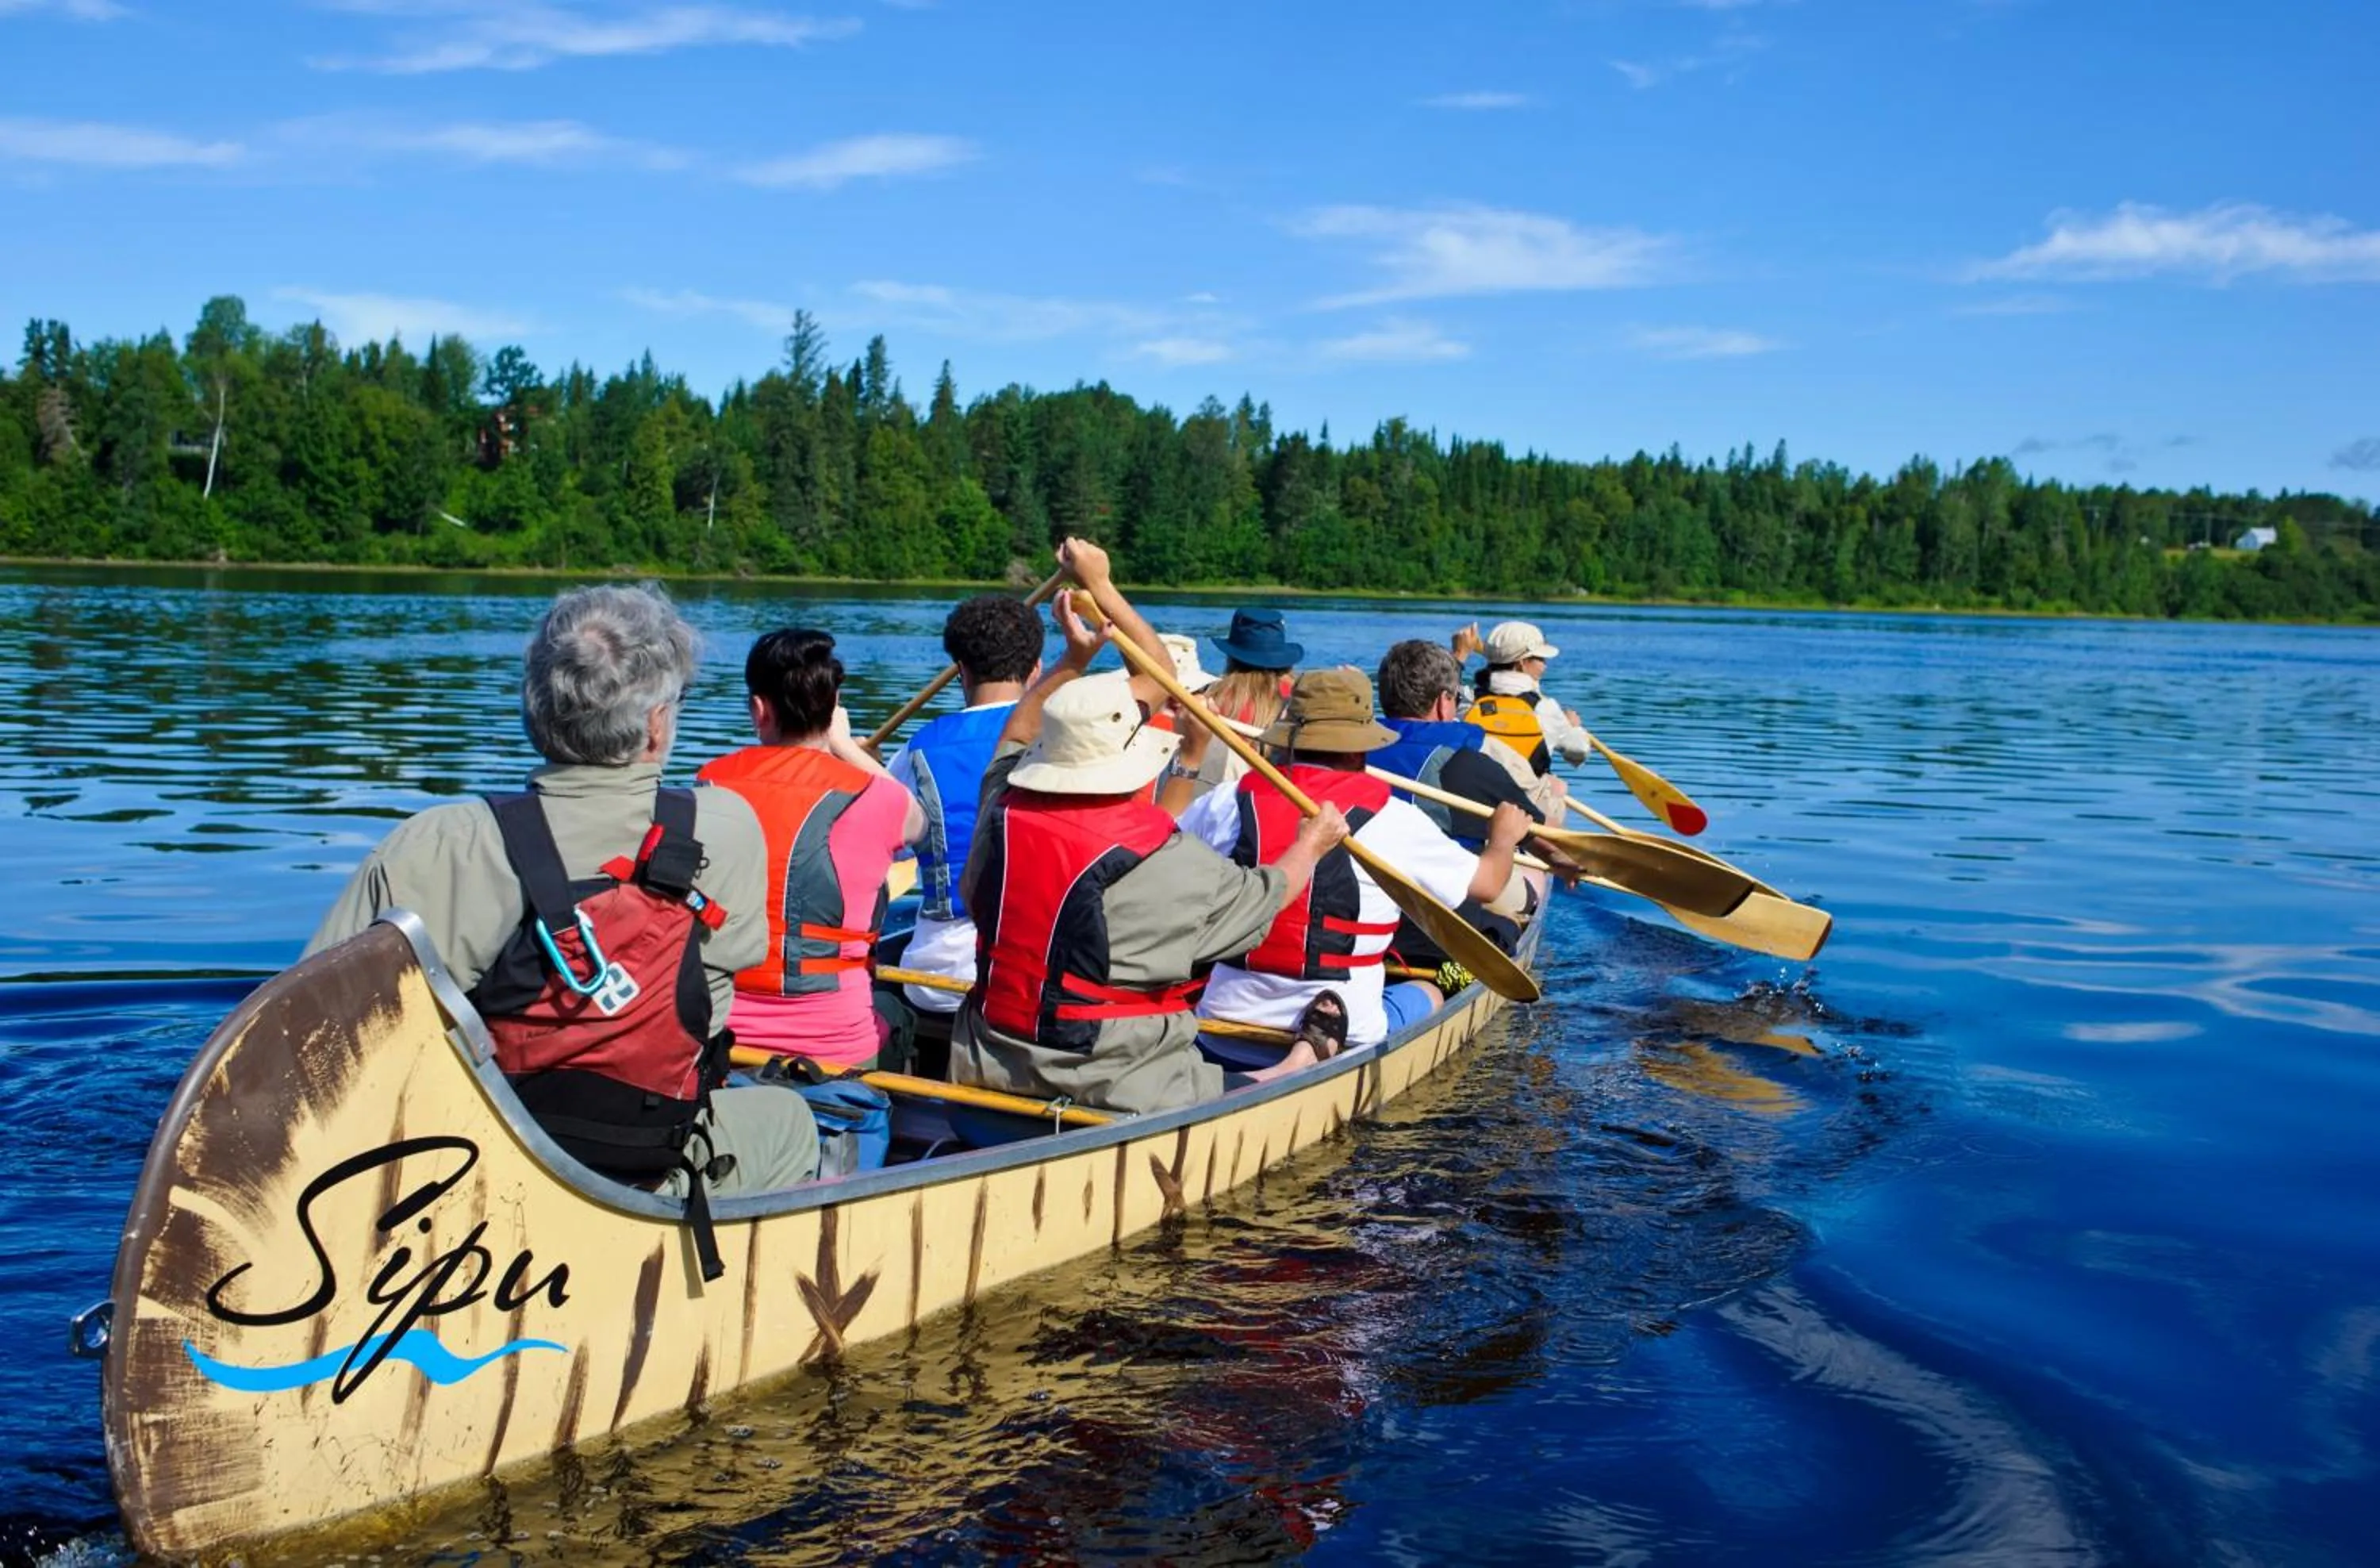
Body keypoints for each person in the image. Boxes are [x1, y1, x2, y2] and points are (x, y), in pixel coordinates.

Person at [305, 583, 818, 1278]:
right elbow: (720, 986)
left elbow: (310, 1039)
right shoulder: (726, 828)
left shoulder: (435, 845)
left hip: (474, 1159)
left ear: (534, 712)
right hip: (645, 1154)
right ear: (658, 725)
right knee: (794, 1122)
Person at [950, 540, 1354, 1113]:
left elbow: (1017, 732)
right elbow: (1268, 896)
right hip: (1122, 1089)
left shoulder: (1003, 806)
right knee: (1247, 1076)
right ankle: (1295, 1064)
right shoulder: (1174, 858)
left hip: (989, 1065)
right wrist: (1311, 845)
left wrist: (1072, 660)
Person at [1176, 666, 1533, 1050]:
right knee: (1428, 991)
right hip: (1349, 1028)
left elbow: (1165, 844)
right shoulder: (1393, 817)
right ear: (1358, 744)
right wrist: (1503, 840)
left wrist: (1189, 757)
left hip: (1219, 1020)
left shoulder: (1225, 800)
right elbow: (1487, 884)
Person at [697, 628, 926, 1072]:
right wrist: (843, 746)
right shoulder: (879, 799)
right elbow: (922, 822)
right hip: (838, 1052)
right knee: (897, 1012)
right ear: (833, 708)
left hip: (724, 1037)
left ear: (759, 710)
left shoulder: (709, 782)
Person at [883, 594, 1045, 1017]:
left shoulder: (916, 750)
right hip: (1026, 978)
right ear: (1037, 670)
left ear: (961, 670)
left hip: (933, 977)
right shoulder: (1060, 738)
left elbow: (891, 850)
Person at [1463, 620, 1592, 777]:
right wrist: (1573, 727)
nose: (1545, 666)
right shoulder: (1544, 708)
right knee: (1558, 786)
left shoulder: (1468, 700)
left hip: (1474, 789)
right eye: (1541, 659)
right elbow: (1579, 752)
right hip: (1524, 796)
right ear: (1522, 663)